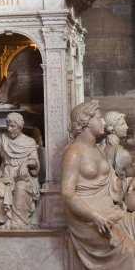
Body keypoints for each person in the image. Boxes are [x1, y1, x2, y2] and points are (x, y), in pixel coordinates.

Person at [62, 100, 135, 269]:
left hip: (112, 211)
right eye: (100, 118)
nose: (103, 122)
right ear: (86, 122)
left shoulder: (98, 149)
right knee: (128, 252)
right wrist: (95, 216)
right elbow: (67, 194)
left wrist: (128, 183)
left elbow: (110, 183)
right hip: (90, 220)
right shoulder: (73, 153)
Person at [0, 112, 40, 229]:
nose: (9, 129)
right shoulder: (2, 140)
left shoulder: (29, 142)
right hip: (5, 175)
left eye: (13, 126)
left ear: (19, 126)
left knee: (20, 189)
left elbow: (35, 161)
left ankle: (18, 223)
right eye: (8, 125)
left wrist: (27, 163)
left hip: (23, 177)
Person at [102, 111, 134, 178]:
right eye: (122, 124)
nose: (127, 127)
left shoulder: (101, 147)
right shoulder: (123, 154)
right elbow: (131, 180)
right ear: (112, 130)